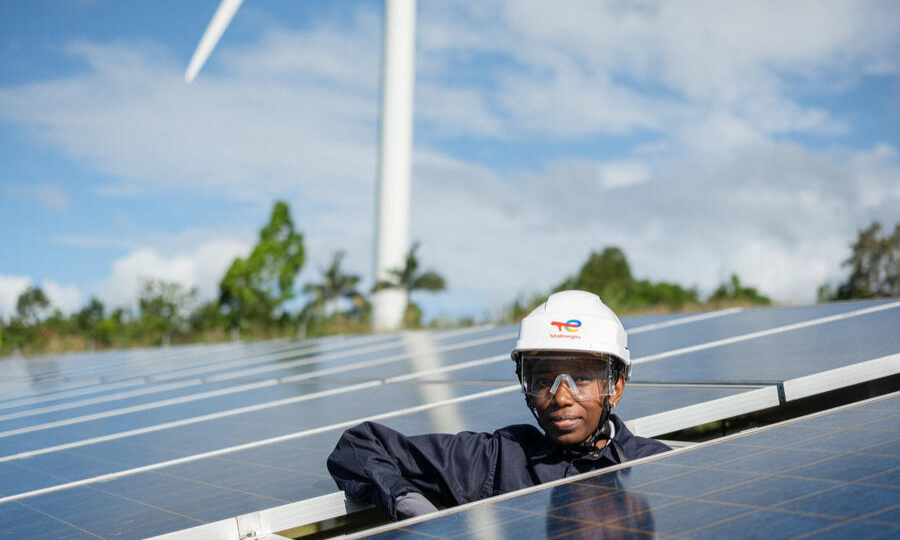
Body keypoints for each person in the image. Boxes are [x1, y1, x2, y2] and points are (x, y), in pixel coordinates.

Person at [326, 290, 671, 521]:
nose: (561, 396)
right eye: (542, 380)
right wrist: (417, 512)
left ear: (616, 387)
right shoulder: (499, 459)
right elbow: (358, 447)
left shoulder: (659, 468)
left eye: (579, 379)